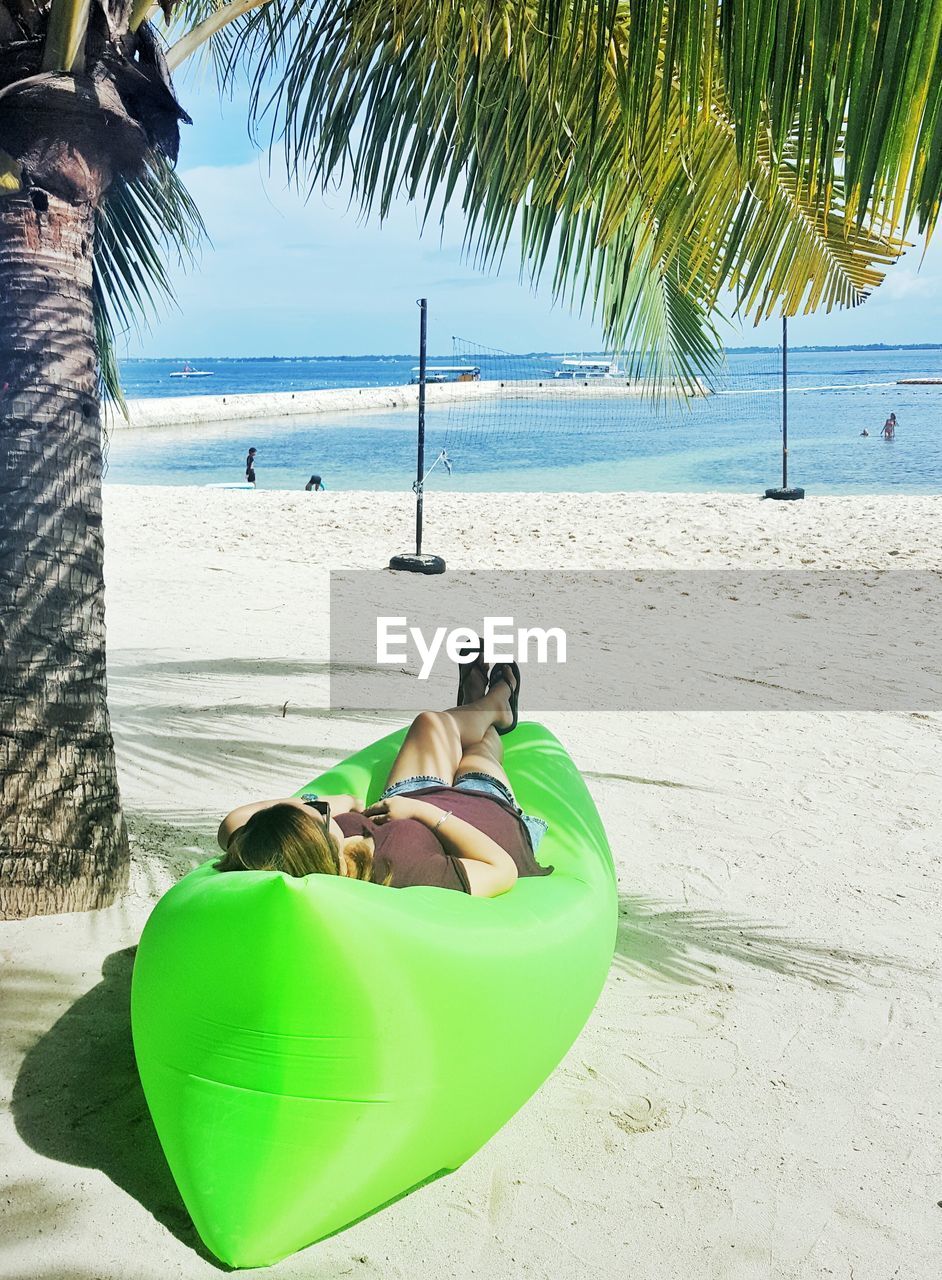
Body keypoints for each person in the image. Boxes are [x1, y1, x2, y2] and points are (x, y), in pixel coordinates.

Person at [216, 656, 551, 898]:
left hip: (412, 796)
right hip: (484, 814)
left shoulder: (308, 854)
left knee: (429, 723)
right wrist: (422, 813)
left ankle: (481, 702)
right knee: (482, 747)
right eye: (319, 811)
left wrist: (339, 804)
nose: (320, 804)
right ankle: (496, 700)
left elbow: (234, 822)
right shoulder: (403, 870)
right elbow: (501, 870)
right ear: (319, 847)